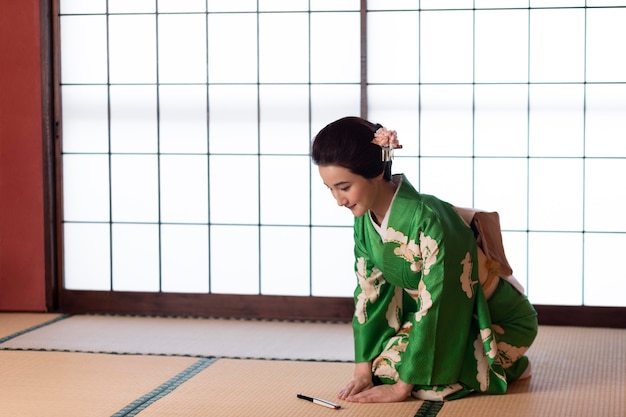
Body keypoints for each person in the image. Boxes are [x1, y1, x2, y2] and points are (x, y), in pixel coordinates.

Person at [311, 116, 538, 403]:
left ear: (375, 172)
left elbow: (441, 302)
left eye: (344, 187)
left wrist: (401, 388)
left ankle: (508, 365)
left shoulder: (430, 220)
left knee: (427, 387)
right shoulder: (364, 220)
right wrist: (361, 371)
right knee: (382, 368)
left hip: (492, 317)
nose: (338, 200)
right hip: (444, 315)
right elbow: (370, 294)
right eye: (330, 189)